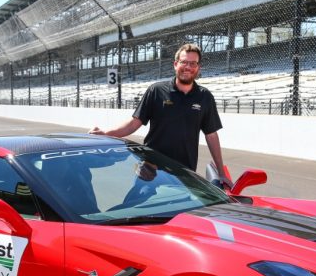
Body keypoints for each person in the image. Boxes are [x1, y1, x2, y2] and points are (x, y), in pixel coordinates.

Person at [90, 43, 233, 189]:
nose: (188, 67)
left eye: (193, 63)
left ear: (198, 67)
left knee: (180, 211)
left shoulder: (205, 96)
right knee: (138, 207)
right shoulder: (156, 91)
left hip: (185, 173)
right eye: (184, 62)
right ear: (175, 64)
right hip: (151, 170)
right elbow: (134, 123)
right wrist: (106, 134)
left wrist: (221, 172)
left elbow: (211, 135)